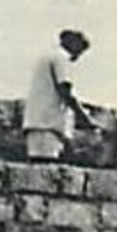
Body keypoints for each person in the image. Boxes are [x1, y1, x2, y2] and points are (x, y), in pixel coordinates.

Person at [23, 29, 97, 160]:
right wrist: (84, 117)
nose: (78, 55)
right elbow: (65, 91)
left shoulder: (50, 57)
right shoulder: (61, 58)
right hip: (46, 127)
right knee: (44, 170)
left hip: (43, 125)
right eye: (80, 48)